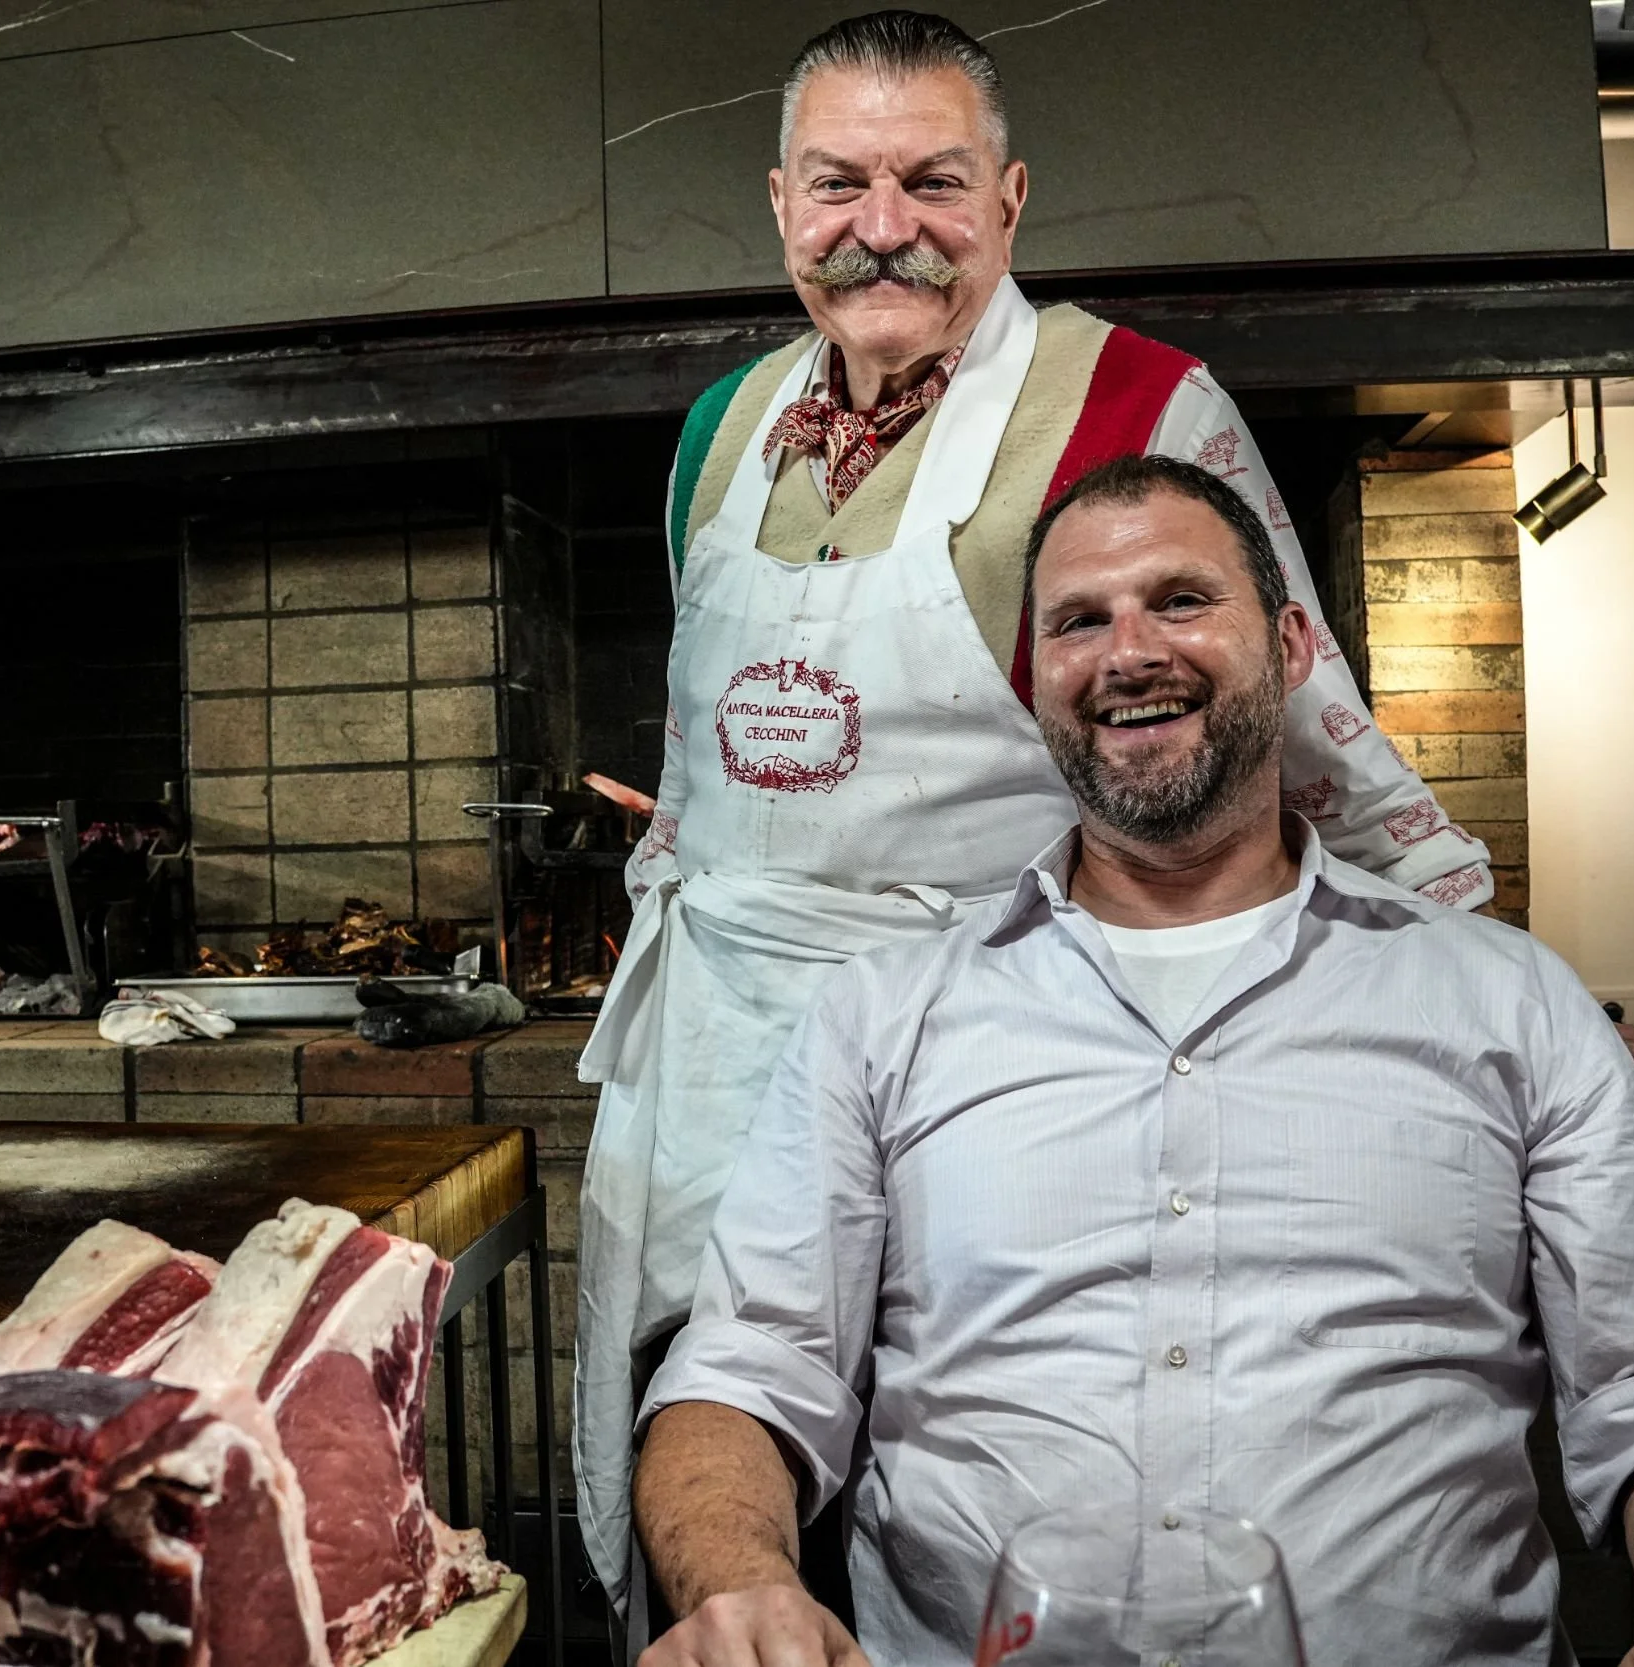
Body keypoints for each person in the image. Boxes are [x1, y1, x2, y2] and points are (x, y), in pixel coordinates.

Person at [575, 9, 1499, 1613]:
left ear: (1009, 200)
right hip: (716, 1075)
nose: (886, 229)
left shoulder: (1135, 401)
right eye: (839, 184)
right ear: (779, 201)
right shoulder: (716, 437)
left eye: (934, 181)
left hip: (1004, 1075)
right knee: (720, 1504)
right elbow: (700, 753)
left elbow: (1314, 737)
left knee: (976, 1515)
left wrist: (1488, 984)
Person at [628, 455, 1634, 1667]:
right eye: (1078, 620)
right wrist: (738, 1586)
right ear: (1031, 679)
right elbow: (750, 1365)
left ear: (1291, 643)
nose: (1129, 650)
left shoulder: (1511, 1001)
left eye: (1181, 601)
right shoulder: (883, 1013)